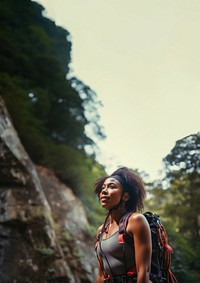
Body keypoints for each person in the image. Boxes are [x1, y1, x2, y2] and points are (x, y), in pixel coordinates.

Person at [94, 167, 152, 283]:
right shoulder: (101, 230)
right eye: (103, 187)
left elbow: (143, 271)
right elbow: (101, 275)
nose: (104, 191)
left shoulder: (136, 221)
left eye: (112, 187)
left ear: (125, 196)